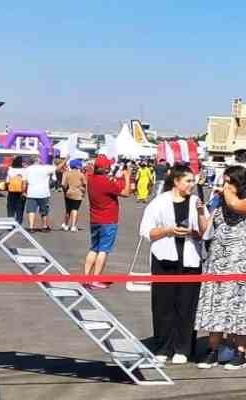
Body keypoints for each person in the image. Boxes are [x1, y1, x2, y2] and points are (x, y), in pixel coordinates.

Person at [195, 165, 246, 370]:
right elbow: (205, 230)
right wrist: (200, 210)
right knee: (216, 306)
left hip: (239, 264)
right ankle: (213, 350)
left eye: (229, 182)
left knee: (239, 307)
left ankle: (239, 353)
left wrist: (225, 192)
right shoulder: (220, 203)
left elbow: (236, 205)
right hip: (217, 263)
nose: (225, 185)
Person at [139, 165, 207, 365]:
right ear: (176, 182)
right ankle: (163, 346)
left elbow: (205, 231)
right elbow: (146, 231)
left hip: (190, 259)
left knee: (187, 305)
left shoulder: (195, 202)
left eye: (193, 181)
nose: (192, 185)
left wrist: (200, 214)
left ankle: (183, 347)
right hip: (164, 258)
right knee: (163, 304)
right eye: (188, 181)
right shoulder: (159, 202)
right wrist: (168, 230)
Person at [81, 156, 131, 285]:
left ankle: (86, 277)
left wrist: (114, 178)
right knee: (103, 250)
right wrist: (127, 177)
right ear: (106, 169)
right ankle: (96, 279)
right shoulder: (106, 182)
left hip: (95, 219)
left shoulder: (91, 179)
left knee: (94, 248)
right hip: (108, 220)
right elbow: (126, 193)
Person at [21, 156, 55, 232]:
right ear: (38, 161)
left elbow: (24, 182)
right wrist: (66, 159)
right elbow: (57, 168)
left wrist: (23, 192)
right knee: (44, 211)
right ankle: (44, 226)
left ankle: (31, 227)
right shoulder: (45, 168)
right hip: (44, 193)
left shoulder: (27, 169)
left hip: (31, 193)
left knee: (31, 211)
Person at [61, 159, 86, 231]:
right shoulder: (81, 174)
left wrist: (65, 191)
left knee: (68, 209)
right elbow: (84, 184)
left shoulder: (66, 173)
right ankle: (73, 226)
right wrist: (83, 193)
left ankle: (66, 225)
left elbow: (63, 184)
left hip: (69, 193)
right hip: (78, 193)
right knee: (75, 209)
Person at [5, 156, 28, 225]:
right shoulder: (24, 170)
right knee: (20, 208)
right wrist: (24, 191)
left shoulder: (10, 169)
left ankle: (10, 223)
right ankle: (18, 223)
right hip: (20, 191)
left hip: (11, 191)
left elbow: (7, 181)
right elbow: (24, 182)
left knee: (10, 208)